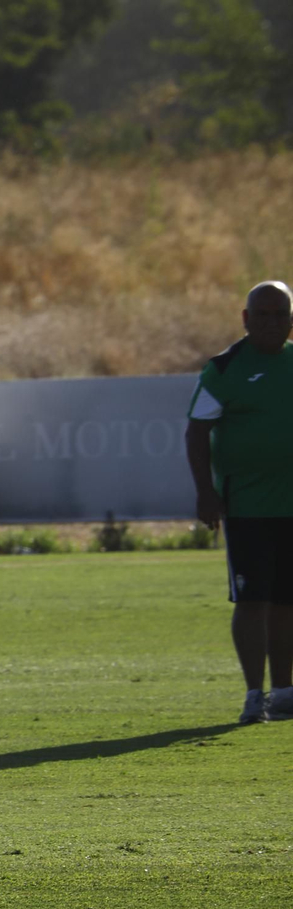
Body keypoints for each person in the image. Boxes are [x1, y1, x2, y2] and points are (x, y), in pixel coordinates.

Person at [186, 280, 293, 725]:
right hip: (247, 506)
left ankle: (285, 692)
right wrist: (206, 492)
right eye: (263, 314)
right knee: (252, 602)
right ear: (246, 319)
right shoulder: (224, 368)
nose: (272, 322)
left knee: (287, 602)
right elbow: (196, 431)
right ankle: (255, 694)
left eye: (280, 314)